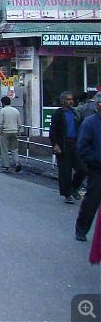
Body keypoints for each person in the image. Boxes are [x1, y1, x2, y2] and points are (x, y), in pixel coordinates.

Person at [50, 91, 87, 204]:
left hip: (75, 144)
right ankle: (67, 194)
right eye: (68, 99)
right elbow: (53, 131)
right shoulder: (58, 114)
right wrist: (55, 145)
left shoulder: (75, 113)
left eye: (72, 99)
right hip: (63, 144)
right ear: (62, 101)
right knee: (65, 171)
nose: (71, 101)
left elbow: (81, 127)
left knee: (82, 168)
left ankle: (74, 187)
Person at [76, 92, 101, 242]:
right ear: (98, 105)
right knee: (91, 201)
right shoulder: (90, 123)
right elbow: (83, 148)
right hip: (97, 170)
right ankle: (81, 229)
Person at [0, 96, 22, 173]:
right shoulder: (16, 110)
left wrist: (0, 131)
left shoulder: (2, 111)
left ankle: (7, 167)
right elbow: (19, 122)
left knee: (5, 149)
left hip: (5, 132)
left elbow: (0, 122)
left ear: (3, 103)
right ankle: (17, 163)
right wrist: (18, 131)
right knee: (14, 149)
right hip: (14, 131)